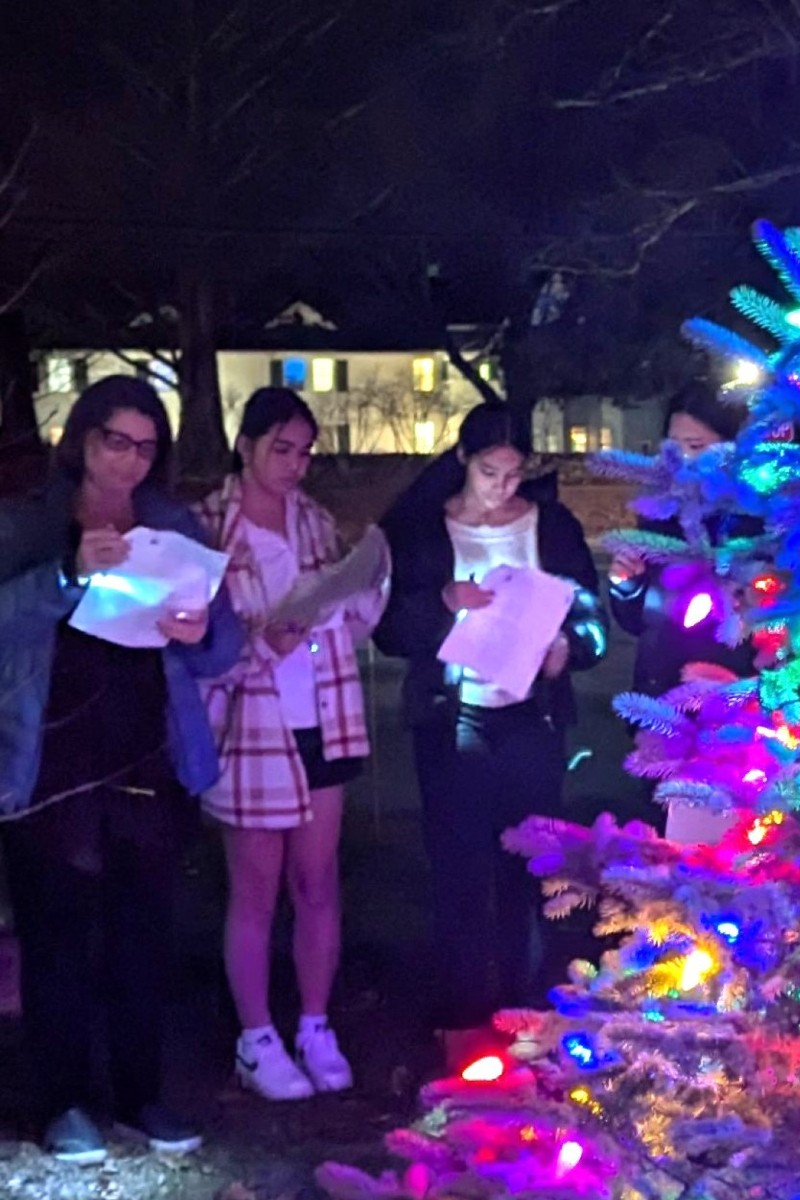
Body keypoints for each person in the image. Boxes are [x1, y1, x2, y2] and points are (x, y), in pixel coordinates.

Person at [0, 377, 243, 1162]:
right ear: (82, 437)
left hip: (147, 755)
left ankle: (142, 1093)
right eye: (117, 441)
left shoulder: (173, 525)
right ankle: (62, 1101)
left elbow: (223, 648)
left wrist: (199, 628)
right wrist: (69, 573)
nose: (130, 462)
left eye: (146, 447)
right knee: (58, 938)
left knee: (143, 936)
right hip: (52, 762)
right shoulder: (31, 518)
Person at [374, 404, 606, 1053]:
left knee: (529, 868)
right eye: (487, 471)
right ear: (462, 462)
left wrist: (568, 648)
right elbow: (390, 627)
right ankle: (465, 1019)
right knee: (460, 869)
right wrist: (444, 605)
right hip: (455, 717)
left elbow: (587, 616)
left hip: (532, 715)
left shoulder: (549, 527)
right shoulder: (425, 531)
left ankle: (527, 1015)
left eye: (511, 474)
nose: (501, 486)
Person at [193, 388, 388, 1101]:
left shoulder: (315, 521)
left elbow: (348, 620)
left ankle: (313, 1022)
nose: (296, 465)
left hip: (323, 715)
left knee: (317, 883)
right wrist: (260, 643)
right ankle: (256, 1036)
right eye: (283, 448)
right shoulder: (207, 528)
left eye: (305, 451)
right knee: (254, 888)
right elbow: (194, 647)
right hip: (250, 726)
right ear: (245, 445)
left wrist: (362, 590)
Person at [609, 380, 758, 700]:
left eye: (696, 445)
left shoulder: (756, 517)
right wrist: (627, 585)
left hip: (735, 695)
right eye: (674, 447)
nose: (682, 459)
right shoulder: (659, 512)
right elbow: (637, 622)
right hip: (661, 692)